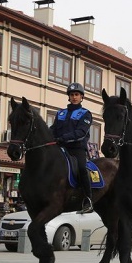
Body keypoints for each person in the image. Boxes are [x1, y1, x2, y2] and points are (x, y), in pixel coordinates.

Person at [51, 82, 93, 213]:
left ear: (81, 97)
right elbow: (53, 129)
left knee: (81, 169)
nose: (74, 97)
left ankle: (88, 200)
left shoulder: (85, 113)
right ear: (68, 97)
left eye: (77, 94)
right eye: (72, 95)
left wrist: (63, 138)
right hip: (60, 148)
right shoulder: (61, 113)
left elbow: (81, 132)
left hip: (77, 149)